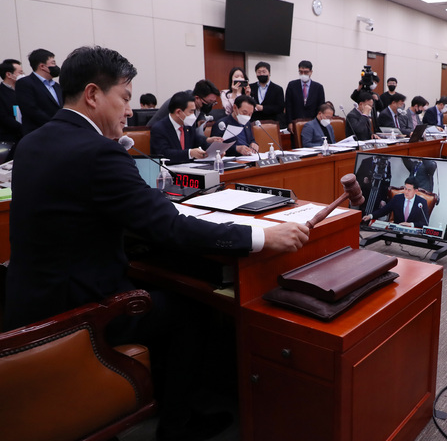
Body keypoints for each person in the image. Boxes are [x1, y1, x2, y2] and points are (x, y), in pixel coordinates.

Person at [4, 45, 309, 440]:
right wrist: (261, 235)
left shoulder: (32, 142)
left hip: (28, 304)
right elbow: (170, 227)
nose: (130, 112)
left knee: (162, 285)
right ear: (94, 95)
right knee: (193, 310)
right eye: (125, 98)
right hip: (80, 314)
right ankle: (177, 426)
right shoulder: (99, 153)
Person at [150, 91, 222, 163]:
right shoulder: (159, 128)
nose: (193, 115)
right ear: (178, 112)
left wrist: (216, 150)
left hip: (189, 168)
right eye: (191, 112)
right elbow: (164, 154)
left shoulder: (188, 125)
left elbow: (198, 141)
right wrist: (189, 153)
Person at [15, 48, 63, 136]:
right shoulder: (25, 83)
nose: (56, 66)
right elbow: (31, 110)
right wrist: (55, 123)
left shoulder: (57, 86)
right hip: (38, 134)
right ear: (42, 66)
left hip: (58, 133)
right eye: (53, 63)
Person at [147, 79, 220, 129]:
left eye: (213, 103)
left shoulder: (196, 101)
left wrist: (201, 121)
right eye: (210, 102)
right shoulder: (183, 103)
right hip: (155, 133)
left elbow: (201, 112)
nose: (210, 105)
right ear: (197, 98)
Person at [362, 177, 429, 228]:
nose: (406, 192)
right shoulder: (397, 198)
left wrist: (411, 224)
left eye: (409, 190)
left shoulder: (422, 202)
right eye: (405, 189)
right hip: (397, 232)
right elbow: (384, 210)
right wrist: (370, 216)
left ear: (416, 191)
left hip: (413, 235)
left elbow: (425, 223)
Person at [0, 60, 24, 145]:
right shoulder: (1, 92)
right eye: (20, 72)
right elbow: (3, 117)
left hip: (25, 135)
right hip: (9, 138)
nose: (23, 75)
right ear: (9, 74)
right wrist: (22, 128)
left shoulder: (23, 89)